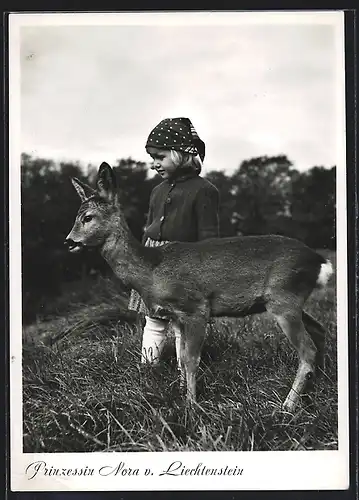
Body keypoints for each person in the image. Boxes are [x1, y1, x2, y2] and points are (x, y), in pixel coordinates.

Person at [128, 117, 220, 366]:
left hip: (184, 264)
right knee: (154, 320)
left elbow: (209, 238)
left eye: (160, 157)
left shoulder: (204, 190)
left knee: (183, 322)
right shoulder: (157, 191)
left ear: (180, 154)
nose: (154, 164)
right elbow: (148, 229)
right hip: (155, 263)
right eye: (152, 158)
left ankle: (184, 375)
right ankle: (148, 370)